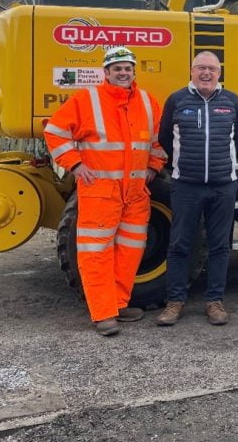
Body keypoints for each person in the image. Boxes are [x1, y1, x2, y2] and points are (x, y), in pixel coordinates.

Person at [44, 46, 167, 336]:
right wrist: (74, 165)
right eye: (117, 69)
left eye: (127, 68)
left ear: (134, 72)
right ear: (106, 73)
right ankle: (103, 314)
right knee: (96, 253)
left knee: (130, 251)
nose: (123, 73)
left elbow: (159, 139)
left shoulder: (148, 102)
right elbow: (55, 131)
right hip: (100, 191)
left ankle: (119, 303)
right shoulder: (88, 99)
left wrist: (154, 165)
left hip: (136, 193)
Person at [155, 52, 238, 328]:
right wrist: (187, 166)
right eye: (201, 68)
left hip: (223, 186)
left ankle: (214, 301)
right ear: (191, 71)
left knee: (220, 246)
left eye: (212, 69)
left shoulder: (232, 101)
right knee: (179, 244)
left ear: (219, 73)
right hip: (187, 186)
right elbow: (164, 138)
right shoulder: (177, 100)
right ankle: (175, 302)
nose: (206, 73)